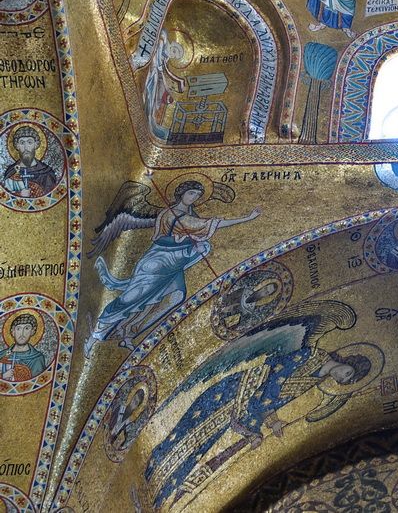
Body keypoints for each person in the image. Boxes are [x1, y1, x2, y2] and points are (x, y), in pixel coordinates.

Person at [145, 341, 371, 509]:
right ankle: (155, 470)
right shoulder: (310, 355)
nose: (342, 379)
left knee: (202, 444)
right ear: (347, 361)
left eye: (346, 381)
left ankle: (163, 489)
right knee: (193, 431)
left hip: (246, 405)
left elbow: (276, 399)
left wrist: (271, 422)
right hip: (235, 393)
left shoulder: (316, 378)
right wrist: (259, 426)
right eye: (348, 373)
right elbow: (270, 387)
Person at [86, 180, 261, 353]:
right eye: (191, 193)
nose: (194, 197)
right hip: (157, 263)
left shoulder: (191, 215)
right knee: (130, 298)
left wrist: (195, 246)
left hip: (176, 265)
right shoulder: (170, 214)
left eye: (198, 195)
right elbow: (199, 227)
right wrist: (246, 218)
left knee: (175, 297)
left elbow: (198, 229)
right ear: (181, 194)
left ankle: (130, 333)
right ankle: (96, 334)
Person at [3, 125, 57, 197]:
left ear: (36, 144)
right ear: (17, 146)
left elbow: (51, 196)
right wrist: (19, 194)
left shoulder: (47, 173)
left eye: (29, 142)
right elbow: (5, 195)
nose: (26, 147)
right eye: (22, 143)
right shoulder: (11, 172)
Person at [0, 312, 47, 381]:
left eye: (26, 328)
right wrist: (3, 376)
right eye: (18, 329)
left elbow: (38, 382)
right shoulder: (2, 355)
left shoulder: (37, 359)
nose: (22, 334)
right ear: (13, 332)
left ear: (32, 331)